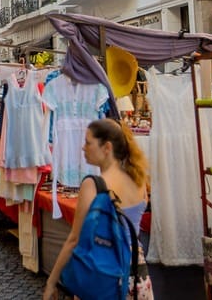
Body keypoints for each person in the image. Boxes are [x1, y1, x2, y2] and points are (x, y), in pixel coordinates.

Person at [43, 119, 153, 300]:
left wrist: (51, 282)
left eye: (88, 142)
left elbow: (74, 239)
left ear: (107, 147)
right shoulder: (139, 179)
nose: (83, 148)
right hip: (136, 269)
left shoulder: (93, 185)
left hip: (103, 268)